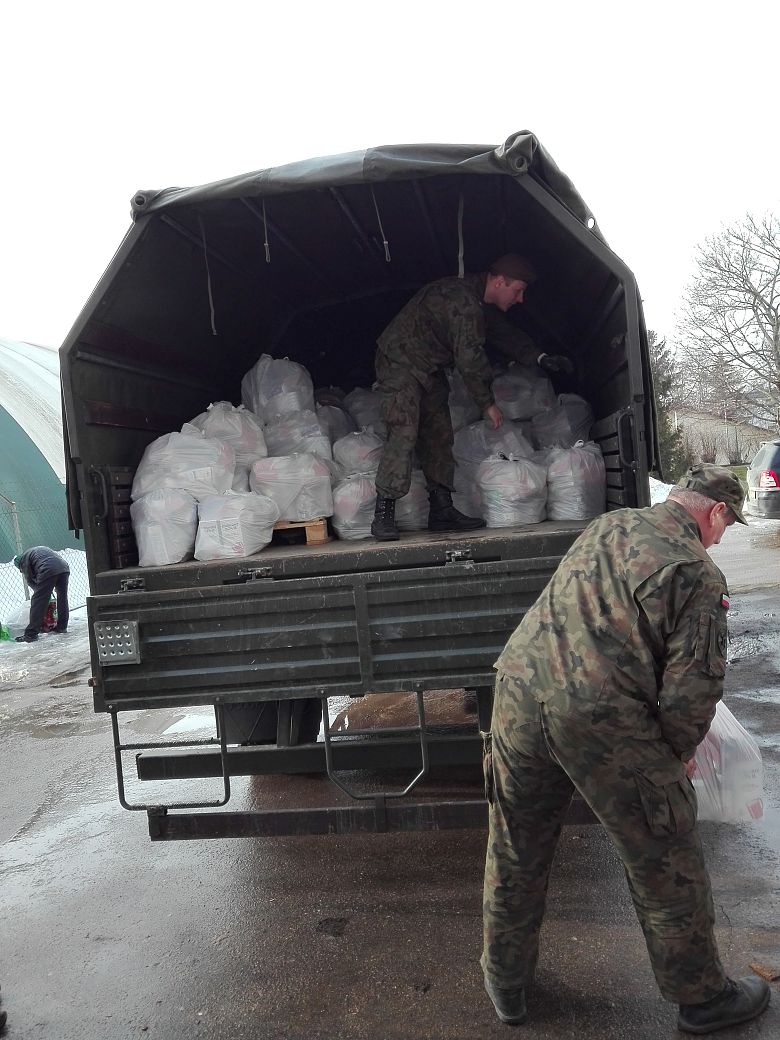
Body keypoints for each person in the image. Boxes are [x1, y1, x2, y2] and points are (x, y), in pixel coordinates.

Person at [481, 465, 771, 1034]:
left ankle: (506, 983)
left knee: (517, 843)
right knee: (664, 850)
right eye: (726, 526)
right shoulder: (696, 572)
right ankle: (704, 998)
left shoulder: (608, 525)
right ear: (714, 512)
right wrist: (675, 755)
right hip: (601, 711)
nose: (720, 538)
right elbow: (693, 689)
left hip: (518, 690)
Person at [370, 254, 573, 540]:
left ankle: (441, 511)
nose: (520, 299)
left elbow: (503, 333)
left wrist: (540, 358)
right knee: (403, 430)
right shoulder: (463, 303)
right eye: (518, 290)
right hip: (400, 362)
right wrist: (486, 403)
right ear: (500, 281)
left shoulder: (477, 300)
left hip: (429, 367)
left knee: (439, 433)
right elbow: (470, 358)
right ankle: (383, 514)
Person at [13, 546, 70, 642]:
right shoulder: (36, 551)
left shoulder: (24, 560)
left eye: (20, 569)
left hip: (48, 568)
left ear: (20, 564)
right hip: (64, 568)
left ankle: (31, 634)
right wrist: (45, 590)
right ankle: (62, 627)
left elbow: (30, 580)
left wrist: (41, 593)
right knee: (62, 597)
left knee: (37, 601)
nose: (21, 571)